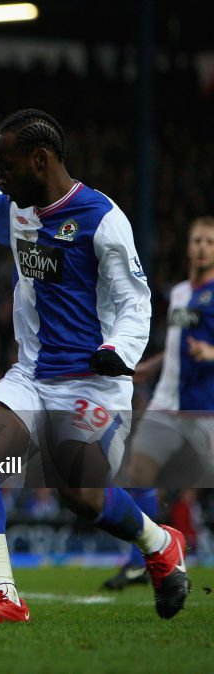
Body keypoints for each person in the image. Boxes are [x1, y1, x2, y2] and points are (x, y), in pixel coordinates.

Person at [0, 87, 190, 622]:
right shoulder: (17, 211)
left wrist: (117, 349)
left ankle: (158, 543)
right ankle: (5, 597)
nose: (0, 178)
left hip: (93, 380)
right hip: (32, 376)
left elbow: (135, 300)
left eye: (6, 167)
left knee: (79, 498)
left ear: (41, 159)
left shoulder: (101, 218)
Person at [103, 216, 214, 590]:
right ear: (188, 245)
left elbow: (203, 348)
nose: (202, 247)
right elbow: (177, 346)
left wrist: (211, 353)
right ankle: (144, 559)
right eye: (197, 240)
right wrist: (148, 368)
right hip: (167, 402)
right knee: (138, 473)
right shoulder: (181, 292)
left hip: (204, 407)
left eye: (209, 242)